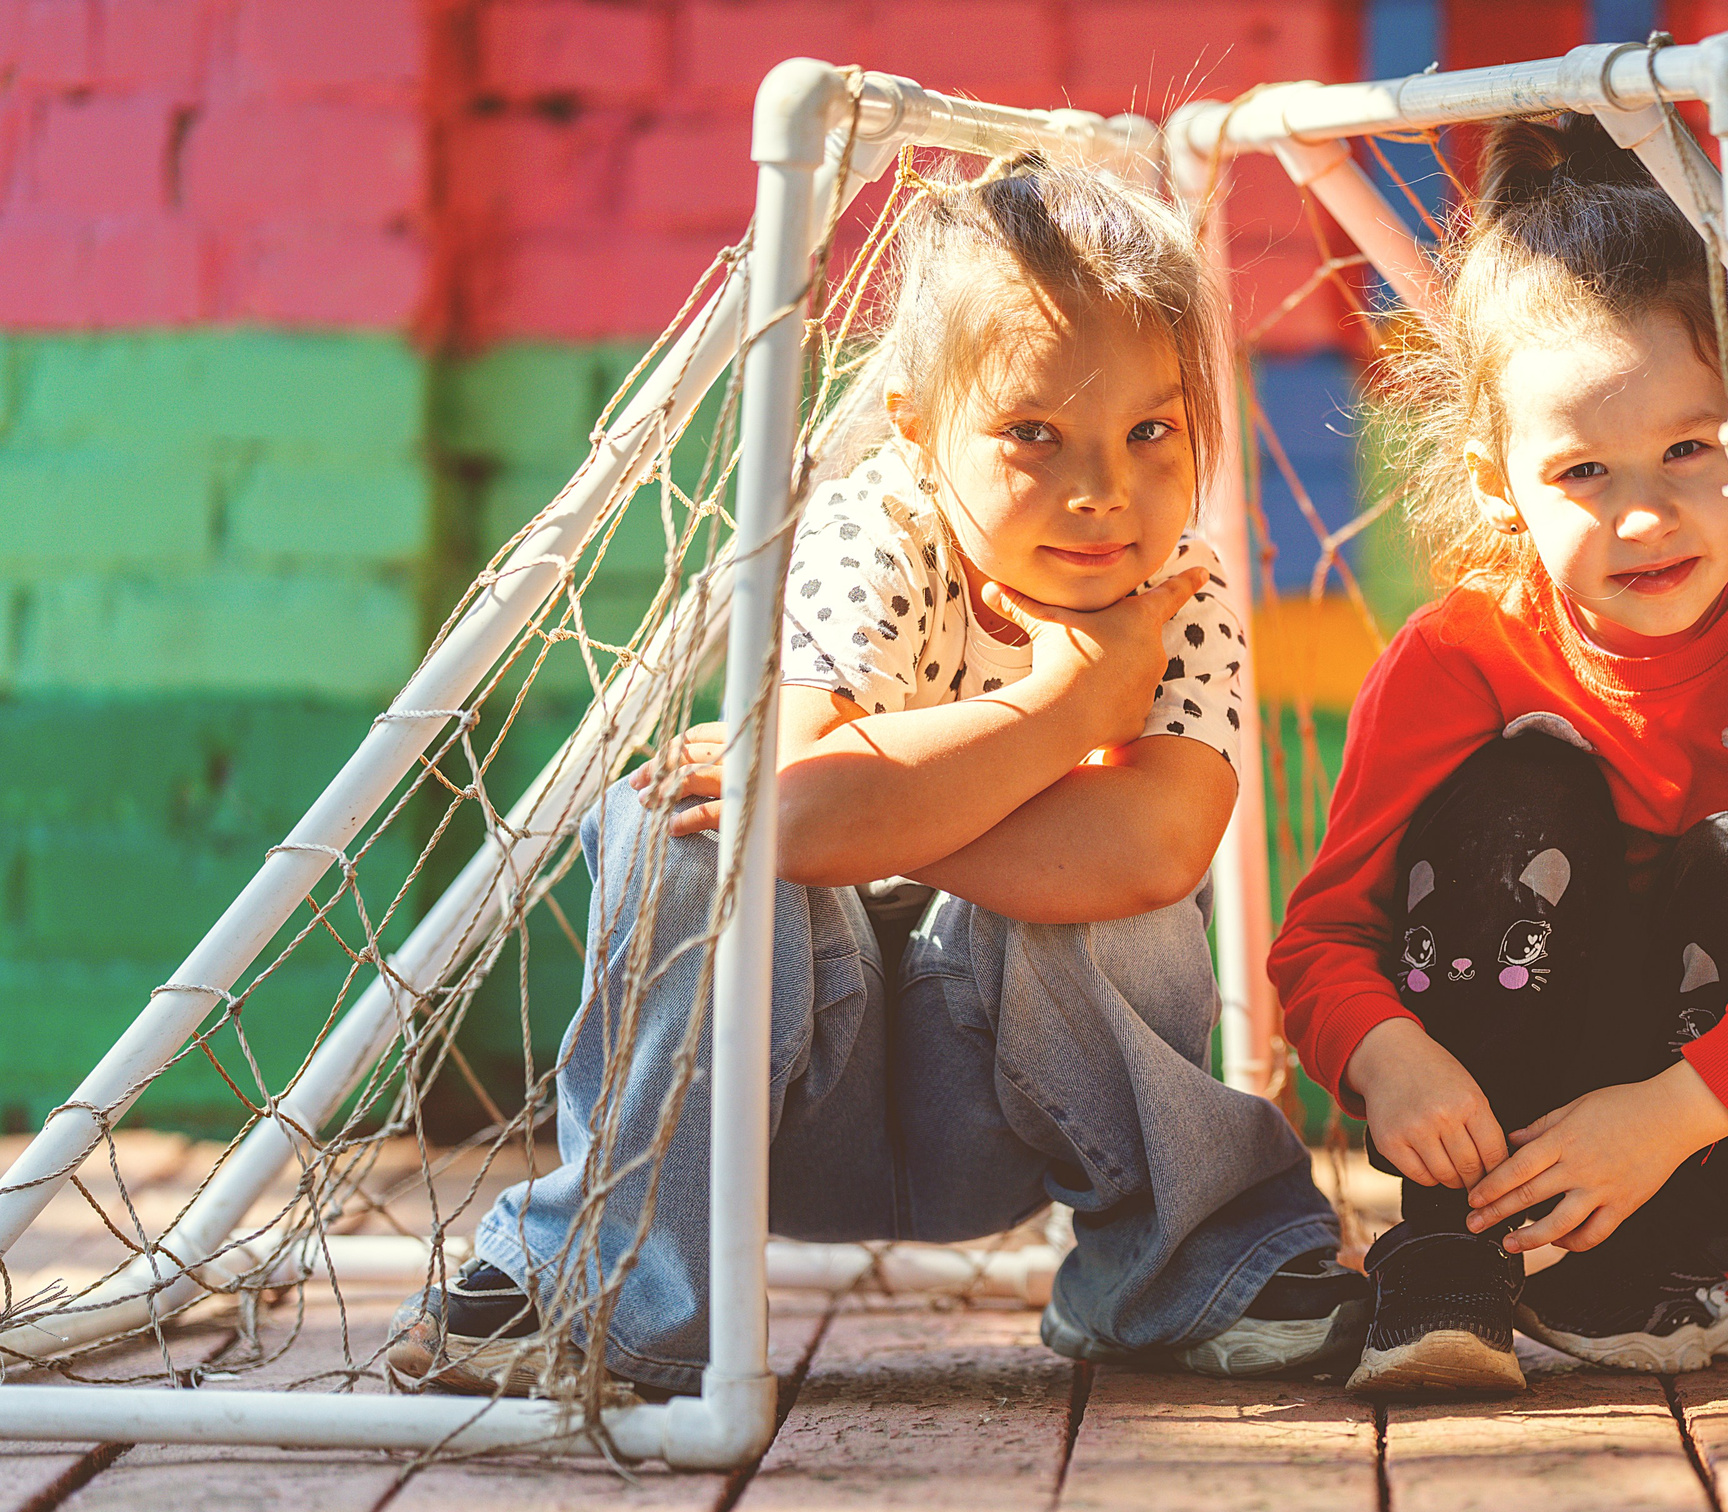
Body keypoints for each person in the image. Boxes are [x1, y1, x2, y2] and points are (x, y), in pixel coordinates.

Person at [390, 153, 1362, 1401]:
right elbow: (791, 821)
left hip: (1015, 1110)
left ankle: (1187, 1265)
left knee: (1074, 888)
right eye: (1031, 435)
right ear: (918, 423)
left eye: (1151, 431)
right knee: (677, 827)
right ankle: (610, 1281)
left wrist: (873, 810)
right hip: (779, 1096)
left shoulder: (1178, 590)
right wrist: (1059, 708)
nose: (1102, 490)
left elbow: (1150, 851)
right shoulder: (875, 529)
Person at [1269, 114, 1728, 1396]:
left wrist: (1677, 1110)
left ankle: (1712, 1256)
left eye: (1688, 450)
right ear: (1496, 481)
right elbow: (1317, 945)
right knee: (1516, 792)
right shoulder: (1456, 661)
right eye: (1583, 469)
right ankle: (1450, 1263)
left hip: (1703, 1123)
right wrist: (1389, 1056)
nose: (1645, 513)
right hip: (1504, 1130)